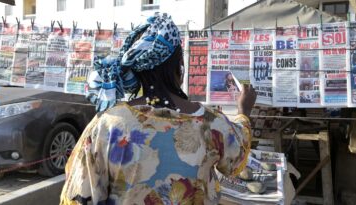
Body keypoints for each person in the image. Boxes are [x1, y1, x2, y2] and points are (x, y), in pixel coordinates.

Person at [60, 13, 256, 205]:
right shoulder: (211, 123)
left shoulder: (108, 124)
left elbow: (79, 194)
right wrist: (243, 111)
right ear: (179, 65)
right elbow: (236, 159)